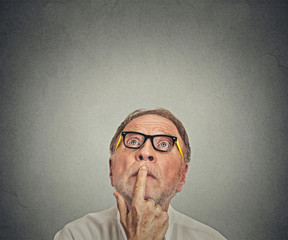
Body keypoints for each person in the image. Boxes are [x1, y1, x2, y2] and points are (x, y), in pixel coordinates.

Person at [54, 108, 227, 240]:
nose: (145, 152)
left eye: (164, 144)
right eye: (133, 141)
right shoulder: (75, 235)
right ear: (111, 170)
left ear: (182, 175)